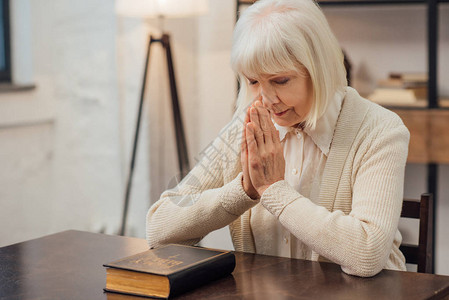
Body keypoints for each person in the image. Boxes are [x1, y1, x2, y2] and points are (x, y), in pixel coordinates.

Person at [146, 0, 410, 277]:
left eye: (281, 81)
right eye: (252, 81)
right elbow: (159, 230)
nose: (267, 99)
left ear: (319, 69)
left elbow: (367, 253)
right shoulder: (244, 128)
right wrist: (244, 190)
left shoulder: (379, 130)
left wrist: (273, 190)